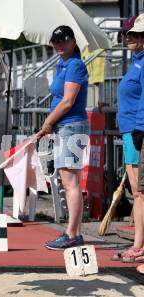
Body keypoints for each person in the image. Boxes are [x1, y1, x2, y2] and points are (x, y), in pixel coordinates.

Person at [36, 25, 89, 250]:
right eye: (55, 41)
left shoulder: (75, 65)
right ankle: (73, 232)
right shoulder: (62, 64)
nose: (59, 44)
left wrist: (48, 123)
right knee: (67, 181)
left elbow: (68, 101)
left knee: (70, 182)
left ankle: (72, 233)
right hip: (64, 126)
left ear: (73, 41)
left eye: (63, 40)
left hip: (71, 126)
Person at [112, 15, 144, 263]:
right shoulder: (136, 62)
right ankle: (139, 244)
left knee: (139, 192)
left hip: (136, 131)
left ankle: (139, 245)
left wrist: (138, 131)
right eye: (126, 33)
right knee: (137, 191)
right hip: (130, 130)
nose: (128, 38)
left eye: (132, 34)